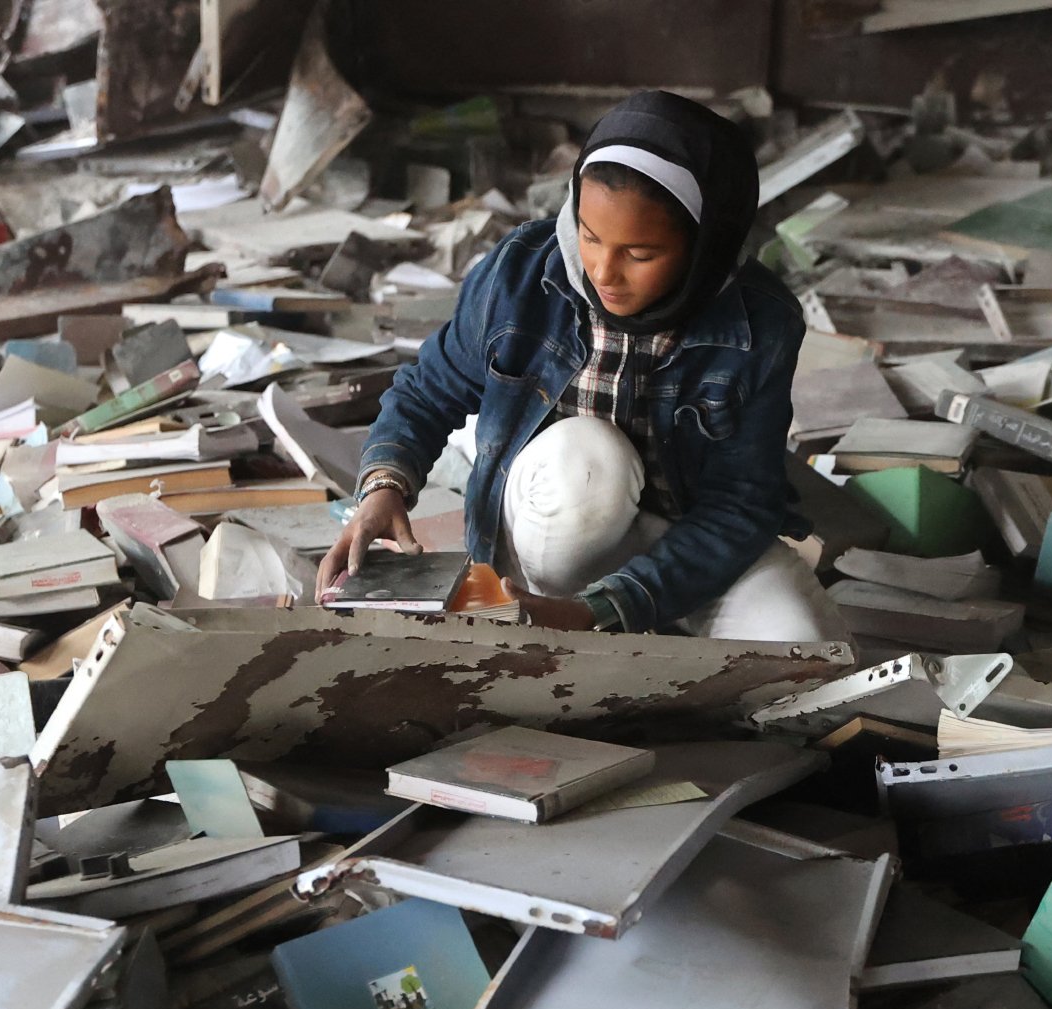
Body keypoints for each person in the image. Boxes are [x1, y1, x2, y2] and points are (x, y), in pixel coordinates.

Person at [318, 90, 845, 642]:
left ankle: (604, 623)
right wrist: (384, 488)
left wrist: (606, 606)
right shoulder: (521, 273)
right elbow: (427, 392)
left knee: (802, 652)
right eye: (589, 237)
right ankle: (546, 616)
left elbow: (739, 505)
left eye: (640, 254)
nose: (603, 271)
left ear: (705, 244)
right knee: (590, 463)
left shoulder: (759, 324)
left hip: (682, 544)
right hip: (556, 523)